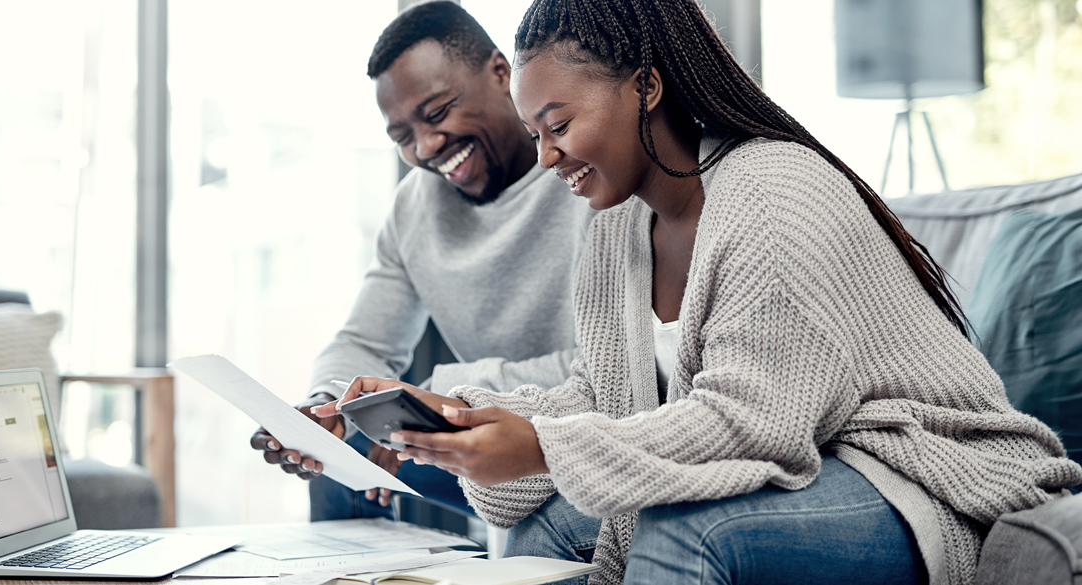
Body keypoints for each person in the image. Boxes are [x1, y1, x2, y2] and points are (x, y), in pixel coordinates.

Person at [322, 0, 1082, 583]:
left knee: (684, 530)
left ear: (646, 86)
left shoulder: (773, 190)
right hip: (808, 459)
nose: (547, 155)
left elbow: (753, 422)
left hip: (910, 467)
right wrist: (478, 418)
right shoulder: (618, 227)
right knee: (545, 521)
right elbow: (605, 393)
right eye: (535, 130)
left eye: (558, 124)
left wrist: (543, 445)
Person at [249, 1, 596, 522]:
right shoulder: (414, 206)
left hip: (573, 434)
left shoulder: (588, 172)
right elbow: (364, 342)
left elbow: (606, 371)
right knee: (340, 464)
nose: (427, 146)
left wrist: (438, 398)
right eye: (402, 137)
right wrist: (325, 410)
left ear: (501, 73)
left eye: (436, 113)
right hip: (468, 427)